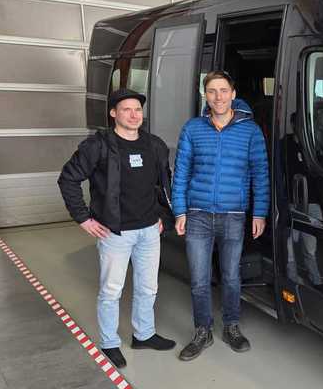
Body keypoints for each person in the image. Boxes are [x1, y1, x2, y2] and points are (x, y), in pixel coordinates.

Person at [58, 89, 176, 368]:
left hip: (150, 230)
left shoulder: (154, 145)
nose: (134, 115)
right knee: (112, 291)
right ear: (113, 113)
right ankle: (109, 342)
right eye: (126, 109)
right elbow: (68, 179)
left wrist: (164, 216)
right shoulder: (98, 146)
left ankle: (144, 334)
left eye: (138, 110)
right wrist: (84, 219)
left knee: (148, 287)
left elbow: (165, 184)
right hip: (114, 233)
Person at [172, 71, 269, 361]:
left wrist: (260, 212)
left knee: (231, 276)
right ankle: (202, 330)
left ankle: (231, 326)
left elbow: (260, 174)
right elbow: (181, 172)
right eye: (212, 91)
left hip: (233, 215)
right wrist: (180, 210)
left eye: (223, 90)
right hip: (198, 215)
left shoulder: (250, 131)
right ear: (206, 95)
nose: (218, 97)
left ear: (233, 94)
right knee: (199, 280)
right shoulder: (193, 128)